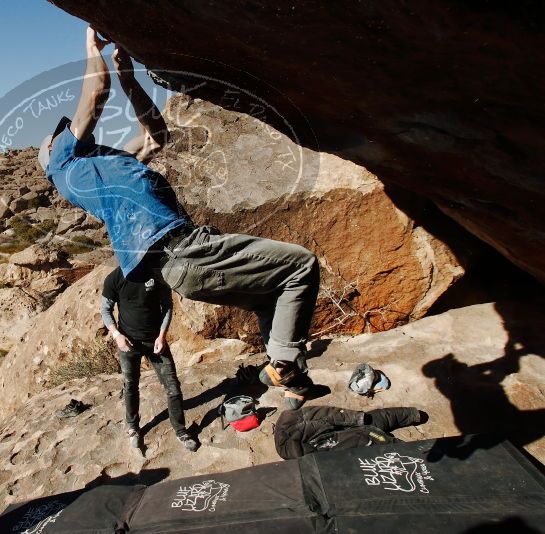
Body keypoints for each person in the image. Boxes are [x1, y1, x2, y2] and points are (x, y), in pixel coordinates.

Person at [38, 26, 320, 408]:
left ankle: (292, 384)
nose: (71, 132)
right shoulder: (63, 163)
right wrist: (92, 50)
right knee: (299, 265)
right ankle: (284, 363)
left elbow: (155, 135)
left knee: (270, 295)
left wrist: (127, 75)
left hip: (178, 267)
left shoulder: (106, 169)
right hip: (183, 251)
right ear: (54, 148)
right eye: (63, 134)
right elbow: (94, 95)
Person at [101, 265, 199, 452]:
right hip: (128, 342)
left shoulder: (156, 273)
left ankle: (180, 430)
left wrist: (162, 335)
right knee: (130, 385)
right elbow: (105, 309)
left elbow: (167, 305)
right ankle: (132, 427)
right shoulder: (114, 278)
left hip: (155, 341)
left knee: (173, 387)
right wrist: (116, 335)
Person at [273, 405, 427, 459]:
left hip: (352, 437)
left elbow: (331, 416)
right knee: (374, 427)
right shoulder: (295, 425)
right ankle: (413, 416)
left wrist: (356, 418)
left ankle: (412, 415)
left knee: (373, 421)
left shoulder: (294, 422)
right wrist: (355, 418)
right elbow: (332, 415)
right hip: (361, 438)